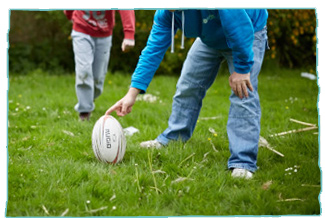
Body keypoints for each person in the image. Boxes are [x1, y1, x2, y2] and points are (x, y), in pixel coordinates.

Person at [106, 10, 269, 179]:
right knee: (188, 86)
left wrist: (242, 70)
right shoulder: (166, 13)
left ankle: (243, 162)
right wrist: (132, 93)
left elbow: (239, 27)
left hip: (248, 31)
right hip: (210, 39)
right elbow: (152, 50)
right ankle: (174, 137)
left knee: (243, 94)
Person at [64, 10, 135, 121]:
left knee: (98, 77)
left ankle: (88, 100)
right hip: (81, 29)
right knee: (84, 72)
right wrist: (69, 14)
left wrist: (129, 34)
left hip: (104, 33)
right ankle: (84, 112)